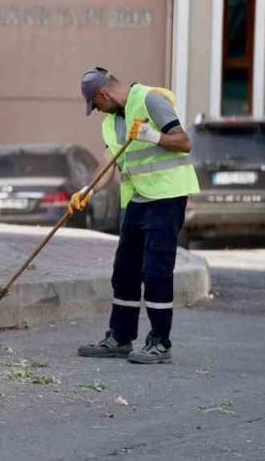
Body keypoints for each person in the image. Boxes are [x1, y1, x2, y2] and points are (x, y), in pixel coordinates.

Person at [69, 67, 199, 364]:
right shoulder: (111, 124)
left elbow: (183, 142)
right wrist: (88, 190)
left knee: (156, 271)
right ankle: (120, 337)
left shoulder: (151, 100)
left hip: (167, 197)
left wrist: (152, 135)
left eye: (96, 104)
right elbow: (109, 164)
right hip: (137, 201)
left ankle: (159, 342)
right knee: (125, 270)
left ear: (103, 94)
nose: (98, 110)